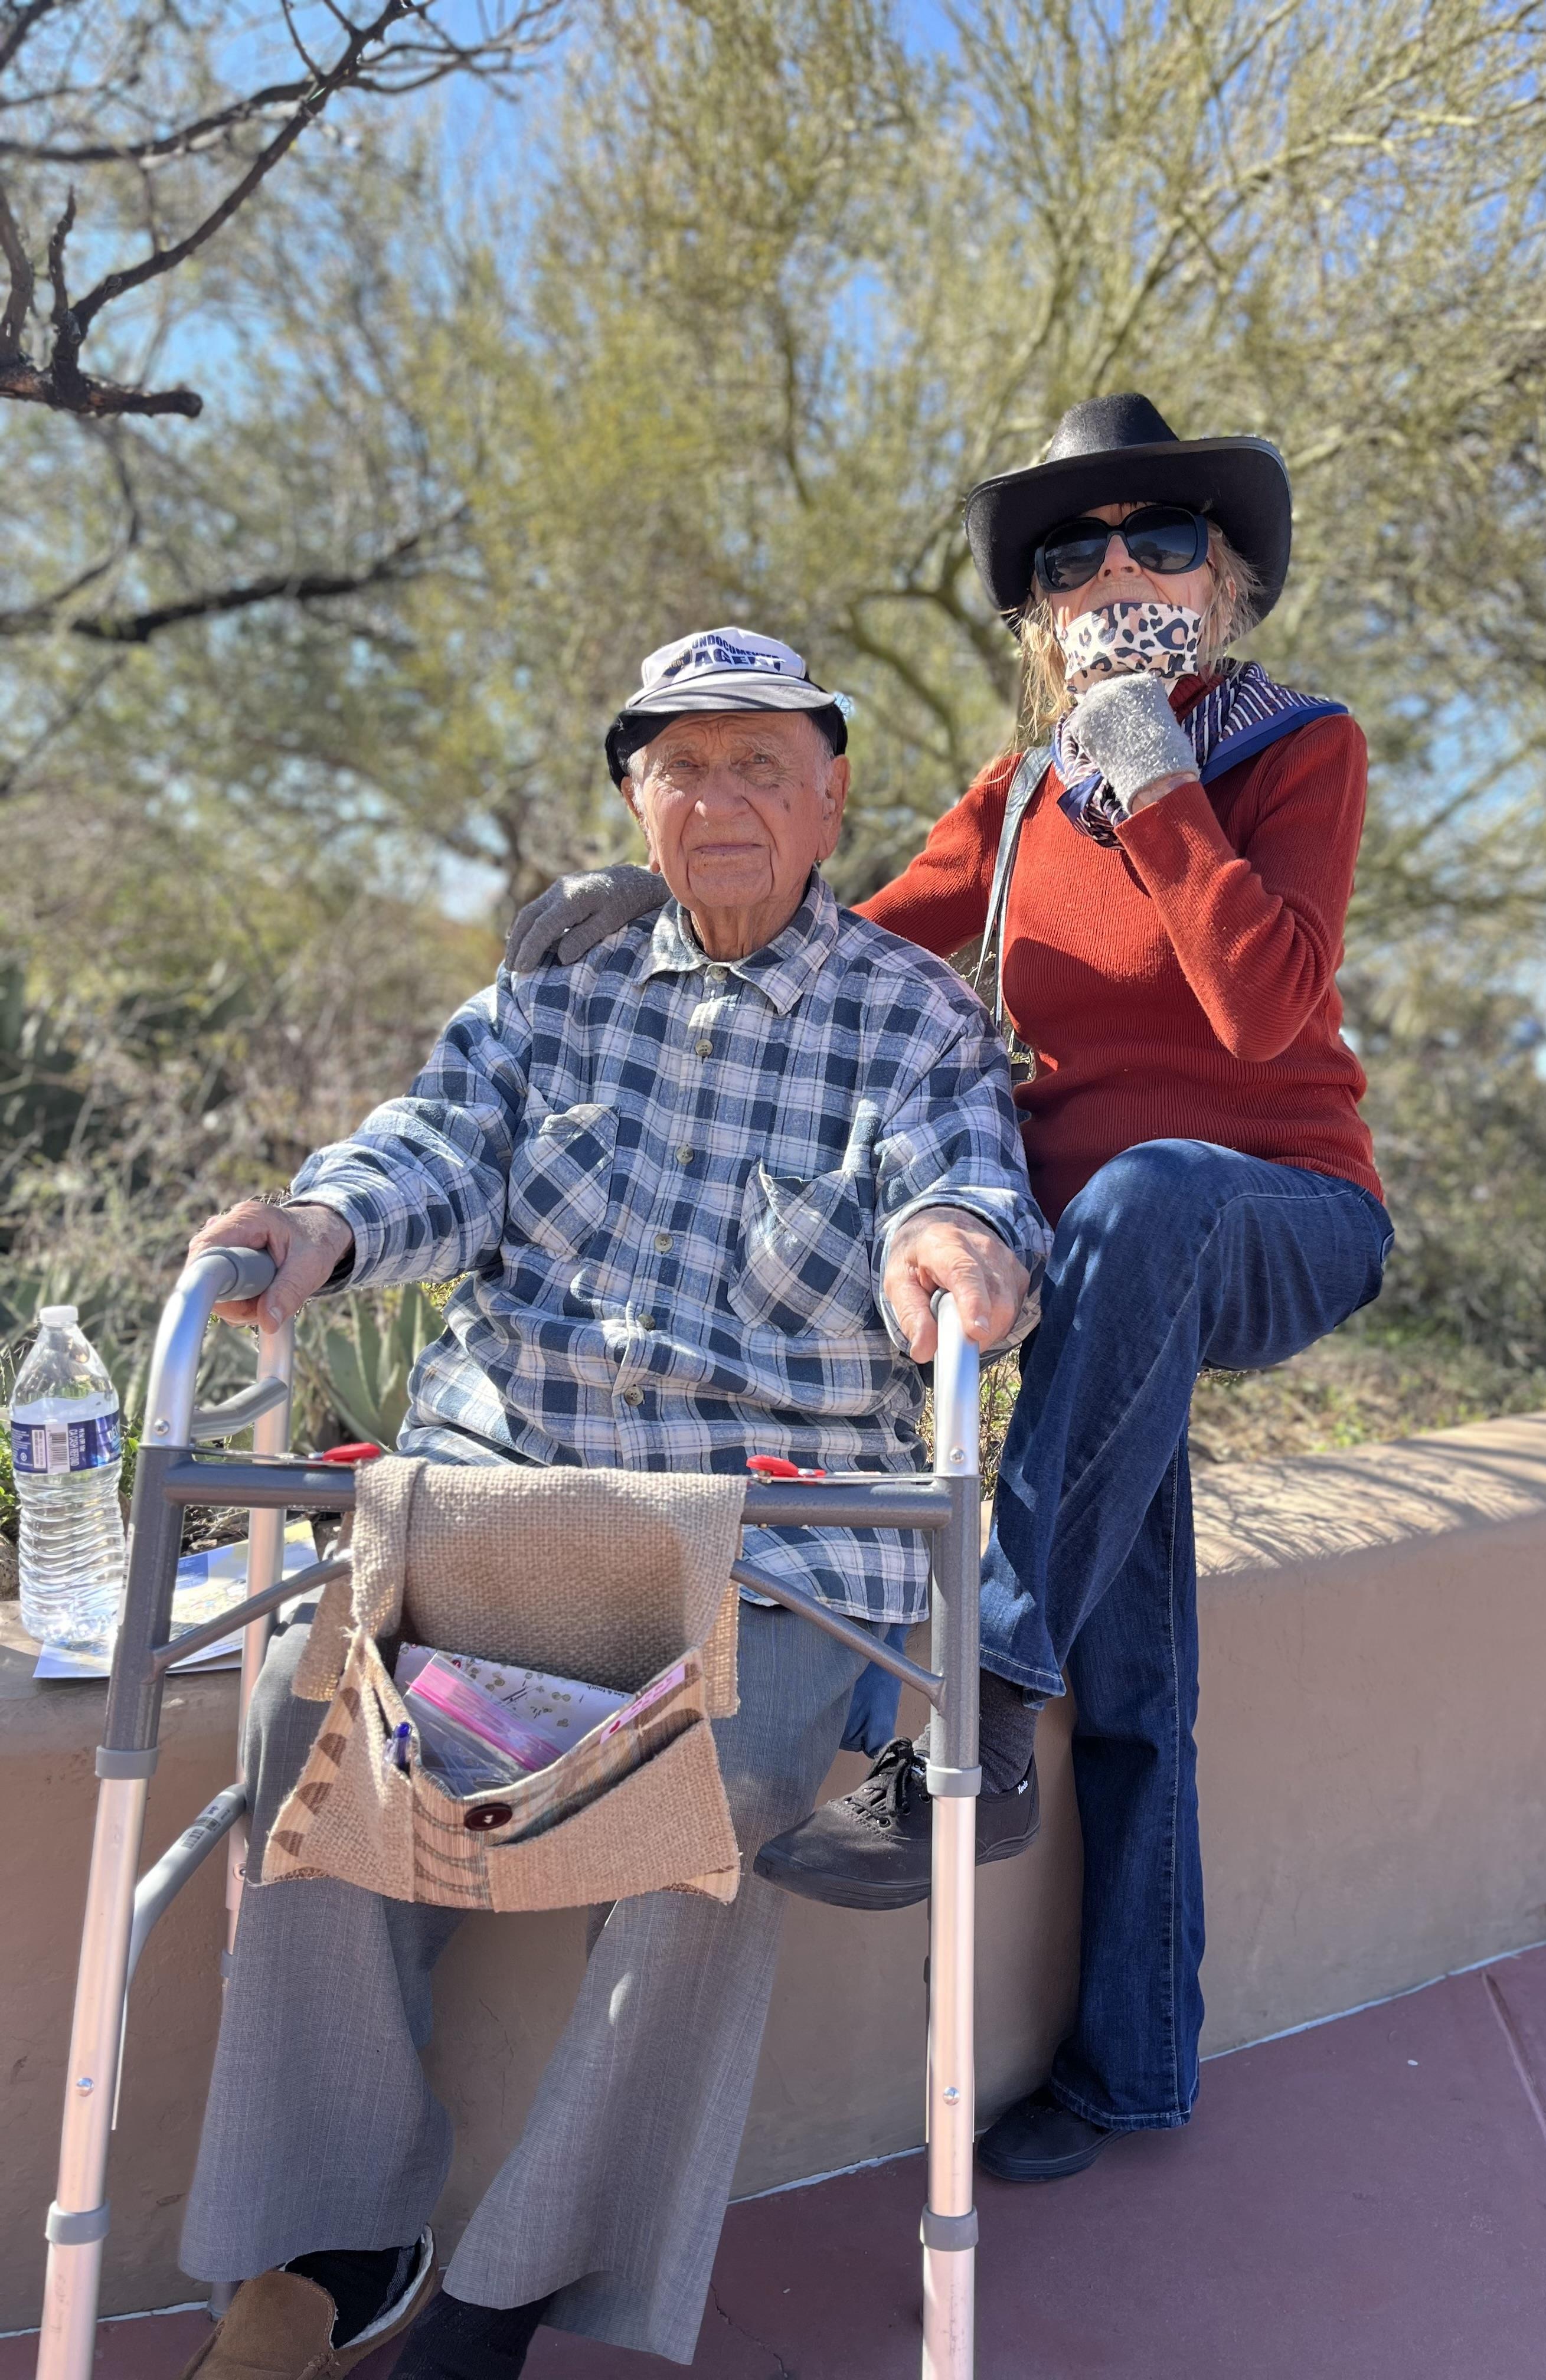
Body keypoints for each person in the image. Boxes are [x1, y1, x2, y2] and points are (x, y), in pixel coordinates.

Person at [508, 397, 1395, 2191]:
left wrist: (1156, 776)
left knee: (1146, 1196)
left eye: (1161, 542)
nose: (1119, 574)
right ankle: (1133, 2067)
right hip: (1099, 1281)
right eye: (1075, 555)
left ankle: (975, 1687)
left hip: (1271, 1212)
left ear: (1225, 584)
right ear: (1037, 611)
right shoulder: (1016, 799)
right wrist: (649, 900)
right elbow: (842, 956)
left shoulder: (1298, 747)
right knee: (1132, 1661)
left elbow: (1263, 1012)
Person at [174, 625, 1049, 2380]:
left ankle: (515, 2287)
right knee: (304, 1719)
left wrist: (958, 1252)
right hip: (508, 1488)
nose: (719, 801)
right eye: (681, 768)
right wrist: (321, 1226)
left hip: (772, 1533)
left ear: (831, 798)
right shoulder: (549, 996)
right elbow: (433, 1149)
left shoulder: (915, 1020)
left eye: (759, 766)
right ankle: (334, 2240)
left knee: (725, 1787)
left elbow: (961, 1189)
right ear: (636, 802)